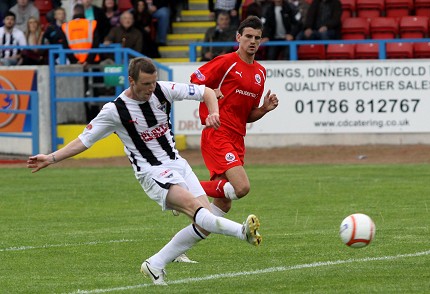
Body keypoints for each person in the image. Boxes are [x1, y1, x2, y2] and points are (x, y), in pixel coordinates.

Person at [27, 57, 262, 286]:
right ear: (131, 81)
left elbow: (207, 92)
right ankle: (242, 232)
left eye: (153, 82)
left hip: (178, 164)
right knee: (199, 210)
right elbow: (84, 140)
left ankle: (155, 263)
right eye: (146, 84)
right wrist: (51, 157)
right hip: (152, 173)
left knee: (204, 224)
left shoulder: (163, 89)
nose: (151, 88)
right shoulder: (115, 110)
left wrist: (214, 112)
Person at [182, 16, 277, 261]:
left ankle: (176, 252)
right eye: (248, 37)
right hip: (217, 132)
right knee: (242, 187)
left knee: (221, 206)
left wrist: (264, 109)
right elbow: (195, 81)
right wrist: (211, 93)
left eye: (257, 37)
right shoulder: (226, 62)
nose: (253, 41)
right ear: (238, 37)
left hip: (237, 138)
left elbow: (246, 115)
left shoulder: (260, 72)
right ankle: (182, 190)